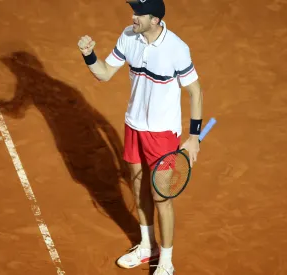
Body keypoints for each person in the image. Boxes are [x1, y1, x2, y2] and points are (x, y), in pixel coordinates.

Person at [77, 0, 203, 274]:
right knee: (138, 189)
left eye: (139, 13)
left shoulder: (176, 49)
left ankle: (166, 262)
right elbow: (105, 73)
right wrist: (89, 55)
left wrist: (193, 136)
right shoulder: (129, 36)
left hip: (162, 134)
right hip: (133, 126)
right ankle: (148, 247)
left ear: (155, 20)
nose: (133, 16)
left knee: (161, 198)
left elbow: (195, 91)